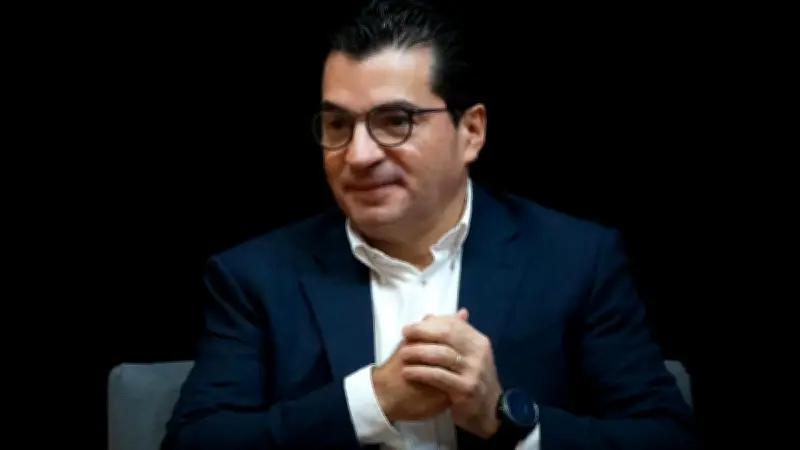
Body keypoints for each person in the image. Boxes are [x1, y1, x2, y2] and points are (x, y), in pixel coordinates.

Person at [162, 0, 701, 448]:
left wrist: (504, 419)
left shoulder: (576, 260)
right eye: (337, 125)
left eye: (395, 121)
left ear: (471, 132)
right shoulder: (254, 277)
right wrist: (372, 401)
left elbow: (665, 438)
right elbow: (195, 441)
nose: (358, 155)